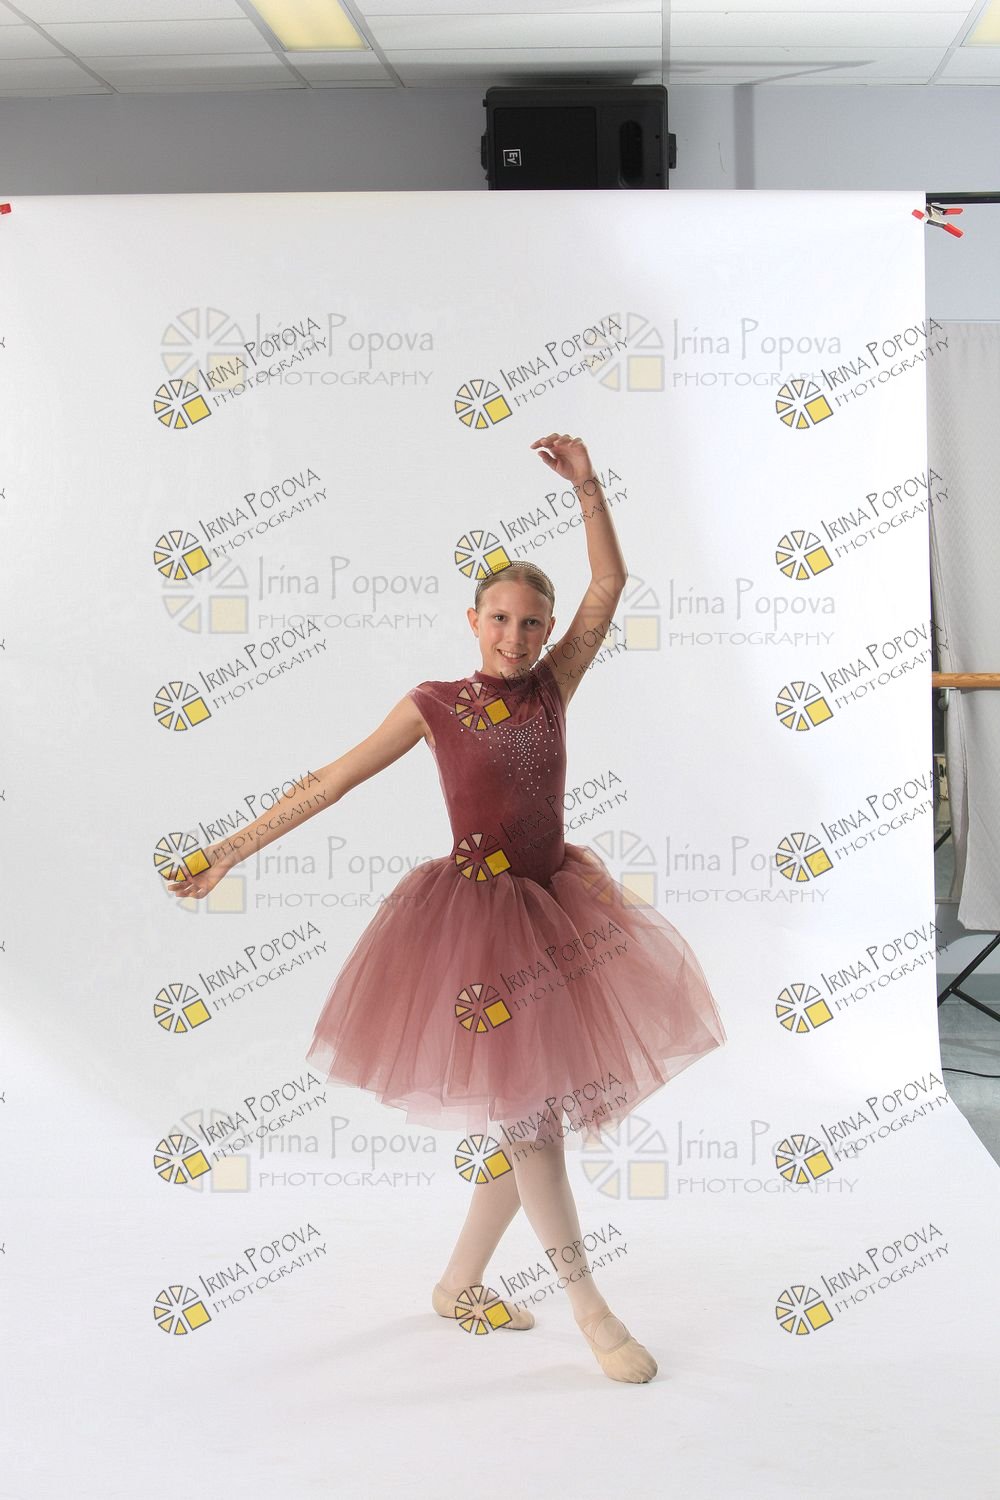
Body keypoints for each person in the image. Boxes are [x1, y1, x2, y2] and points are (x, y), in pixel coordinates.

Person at [167, 432, 727, 1383]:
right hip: (477, 928)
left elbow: (610, 586)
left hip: (562, 915)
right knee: (533, 1123)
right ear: (473, 620)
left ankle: (458, 1282)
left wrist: (588, 487)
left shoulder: (553, 688)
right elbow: (332, 780)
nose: (515, 637)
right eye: (500, 619)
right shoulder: (433, 704)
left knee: (526, 1118)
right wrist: (231, 848)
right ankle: (591, 1309)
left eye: (532, 624)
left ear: (547, 633)